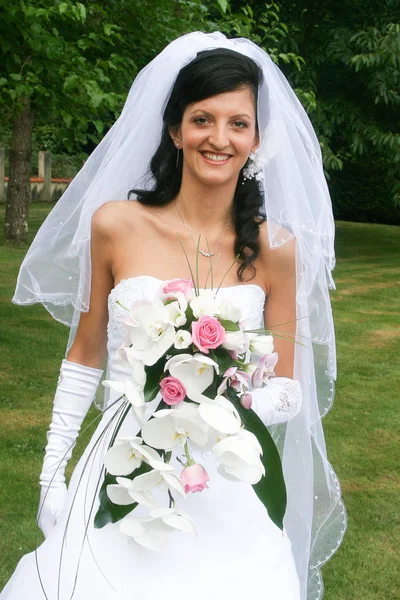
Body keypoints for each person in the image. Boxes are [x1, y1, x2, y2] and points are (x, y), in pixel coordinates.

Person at [1, 32, 346, 600]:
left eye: (239, 123)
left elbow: (289, 392)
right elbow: (84, 355)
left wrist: (220, 396)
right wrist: (50, 475)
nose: (219, 138)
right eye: (202, 119)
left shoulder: (277, 249)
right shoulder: (115, 224)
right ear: (175, 129)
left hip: (227, 482)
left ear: (257, 138)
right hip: (122, 466)